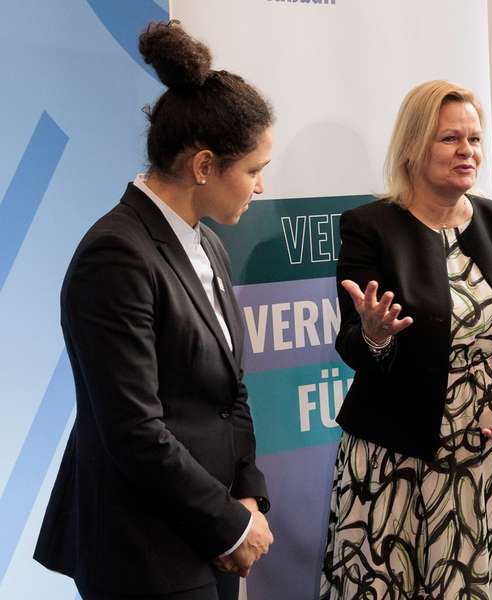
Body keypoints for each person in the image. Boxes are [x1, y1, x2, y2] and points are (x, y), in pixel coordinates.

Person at [34, 21, 275, 600]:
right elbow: (134, 430)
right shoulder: (115, 255)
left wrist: (246, 496)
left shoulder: (209, 242)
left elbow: (228, 395)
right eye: (254, 170)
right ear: (203, 166)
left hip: (209, 539)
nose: (261, 188)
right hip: (142, 552)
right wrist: (229, 522)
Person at [319, 80, 492, 598]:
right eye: (450, 139)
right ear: (413, 146)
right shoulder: (371, 227)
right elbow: (352, 345)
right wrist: (375, 337)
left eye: (474, 139)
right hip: (398, 468)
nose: (467, 151)